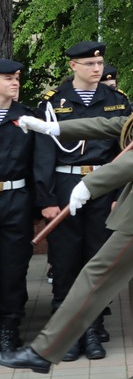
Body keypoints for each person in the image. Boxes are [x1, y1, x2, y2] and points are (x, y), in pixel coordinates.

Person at [0, 39, 133, 378]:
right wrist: (53, 127)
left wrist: (91, 184)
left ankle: (45, 351)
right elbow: (108, 126)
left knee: (95, 275)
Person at [37, 41, 131, 360]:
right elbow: (43, 156)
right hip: (66, 184)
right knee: (65, 262)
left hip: (103, 186)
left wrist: (120, 194)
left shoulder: (117, 102)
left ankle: (91, 330)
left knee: (96, 261)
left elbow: (127, 153)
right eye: (89, 64)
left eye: (100, 63)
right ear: (73, 67)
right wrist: (47, 200)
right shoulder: (53, 104)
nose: (97, 68)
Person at [0, 59, 49, 352]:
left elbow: (39, 166)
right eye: (8, 78)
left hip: (15, 200)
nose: (15, 82)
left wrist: (41, 205)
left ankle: (10, 329)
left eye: (17, 78)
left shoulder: (28, 118)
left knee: (13, 268)